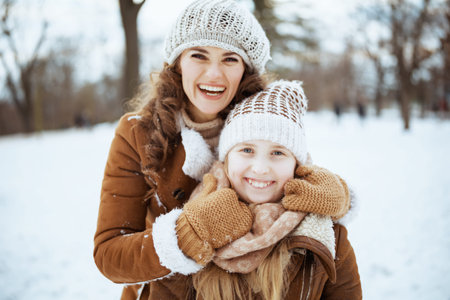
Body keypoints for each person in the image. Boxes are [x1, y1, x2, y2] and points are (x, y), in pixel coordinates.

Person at [93, 1, 352, 299]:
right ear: (178, 62)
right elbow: (110, 254)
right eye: (199, 55)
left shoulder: (265, 118)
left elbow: (296, 169)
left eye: (230, 59)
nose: (214, 74)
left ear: (246, 68)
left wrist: (335, 194)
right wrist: (187, 235)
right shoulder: (137, 134)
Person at [190, 80, 362, 299]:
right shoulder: (194, 221)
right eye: (247, 149)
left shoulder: (329, 237)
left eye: (278, 153)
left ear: (296, 165)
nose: (261, 168)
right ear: (226, 159)